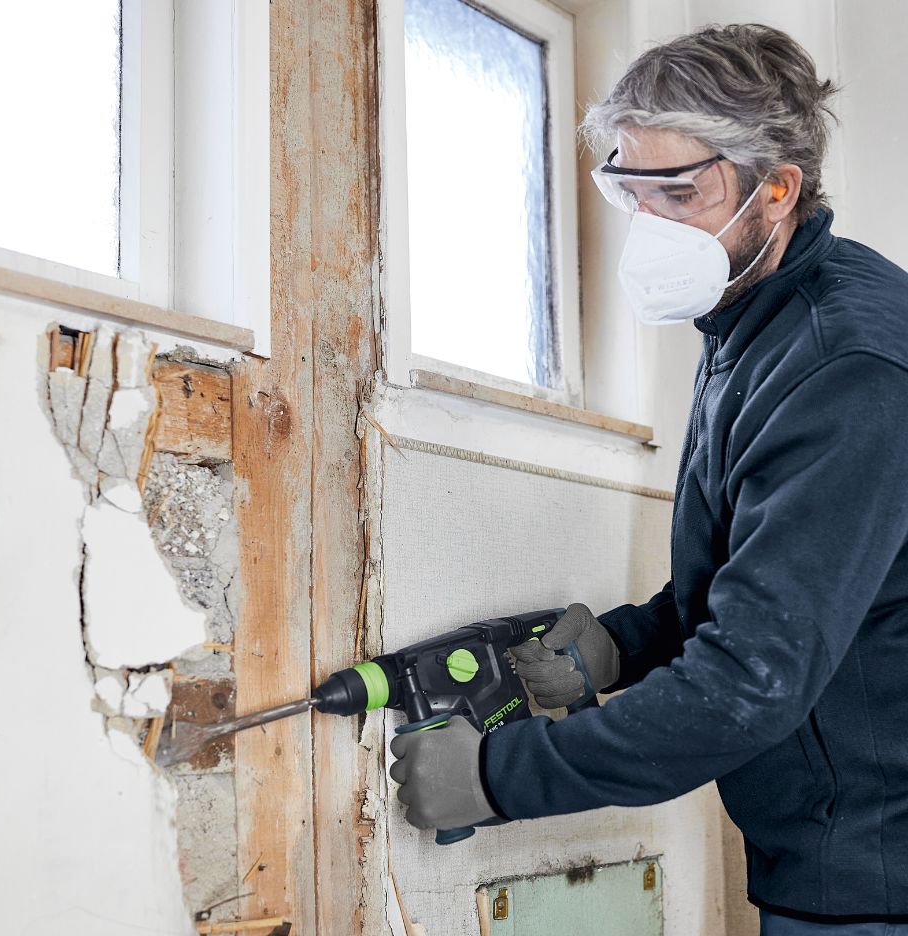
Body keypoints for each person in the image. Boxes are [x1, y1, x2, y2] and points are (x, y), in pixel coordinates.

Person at [389, 23, 908, 933]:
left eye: (679, 192)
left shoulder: (844, 365)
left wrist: (496, 777)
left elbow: (753, 678)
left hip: (878, 873)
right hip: (842, 850)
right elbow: (764, 580)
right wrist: (622, 647)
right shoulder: (754, 322)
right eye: (632, 190)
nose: (649, 225)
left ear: (777, 188)